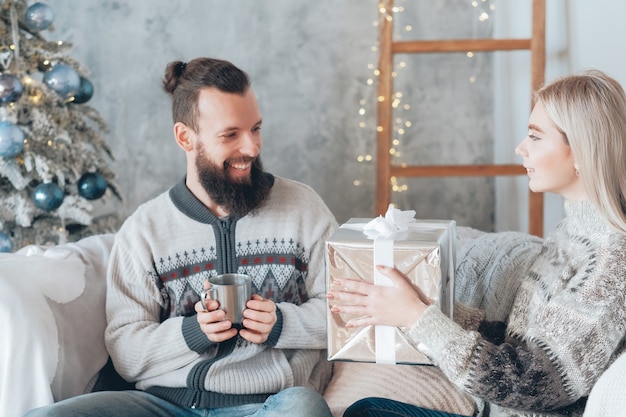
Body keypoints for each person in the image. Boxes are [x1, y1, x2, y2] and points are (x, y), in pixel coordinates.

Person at [25, 57, 337, 417]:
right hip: (165, 405)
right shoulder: (145, 230)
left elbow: (344, 314)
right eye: (231, 135)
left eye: (255, 128)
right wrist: (193, 332)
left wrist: (282, 324)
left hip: (268, 405)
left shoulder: (304, 209)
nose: (251, 148)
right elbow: (125, 350)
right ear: (185, 137)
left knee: (304, 409)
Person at [328, 69, 626, 417]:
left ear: (581, 151)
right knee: (365, 409)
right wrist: (430, 307)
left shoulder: (611, 262)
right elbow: (520, 347)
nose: (520, 148)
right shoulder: (571, 232)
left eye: (535, 137)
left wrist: (418, 317)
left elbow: (535, 382)